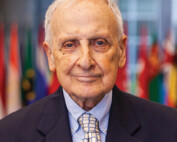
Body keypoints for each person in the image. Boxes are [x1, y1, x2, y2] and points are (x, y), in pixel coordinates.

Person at [0, 0, 177, 141]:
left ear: (121, 51)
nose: (85, 61)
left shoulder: (171, 128)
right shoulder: (9, 134)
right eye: (69, 45)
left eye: (99, 43)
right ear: (51, 56)